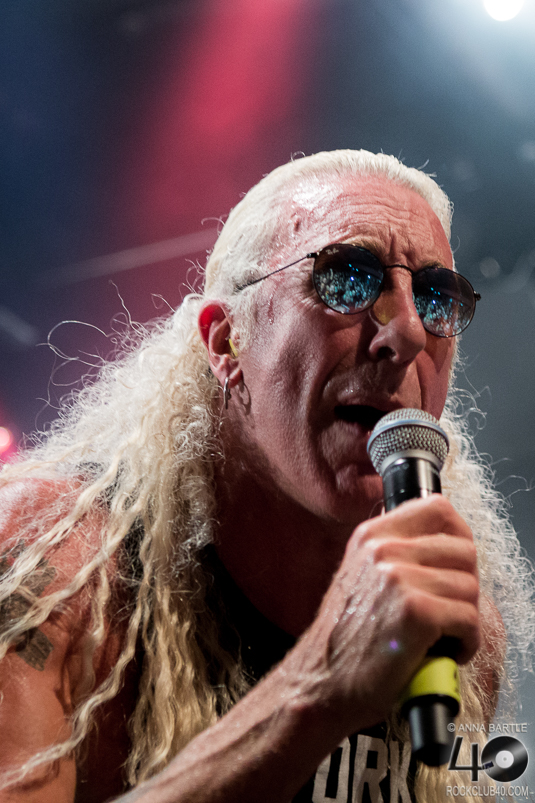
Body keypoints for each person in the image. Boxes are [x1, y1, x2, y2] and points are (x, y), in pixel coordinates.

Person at [0, 150, 532, 803]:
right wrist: (317, 686)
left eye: (434, 298)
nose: (407, 334)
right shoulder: (56, 569)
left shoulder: (454, 633)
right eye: (346, 280)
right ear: (227, 341)